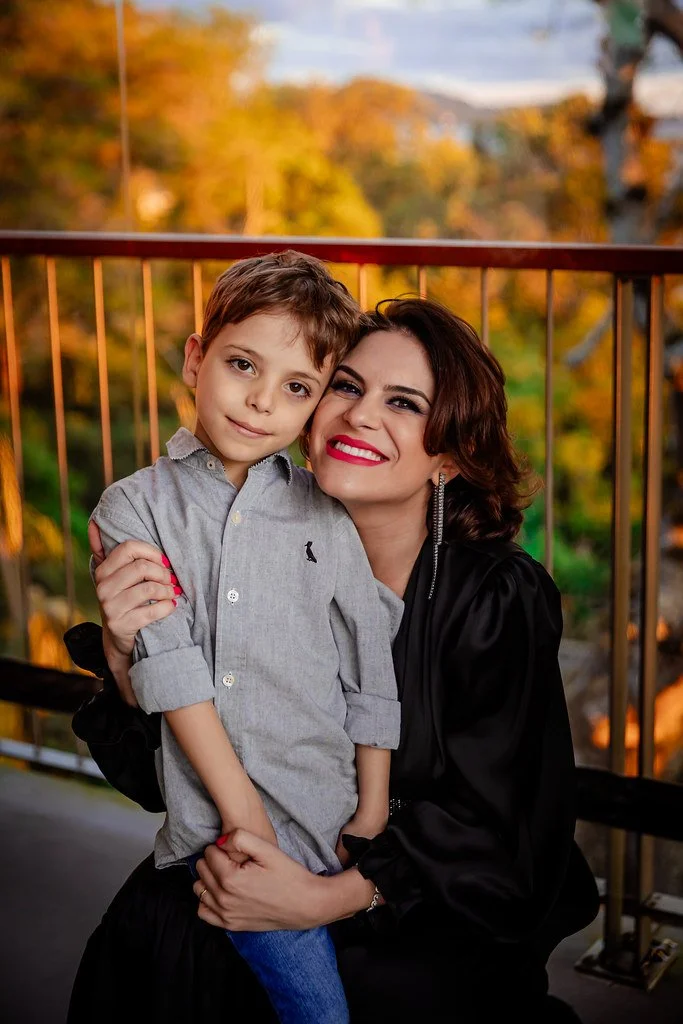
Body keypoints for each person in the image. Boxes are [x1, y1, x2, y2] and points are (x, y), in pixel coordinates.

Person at [69, 297, 599, 1024]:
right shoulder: (231, 543)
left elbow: (506, 828)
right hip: (257, 852)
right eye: (344, 386)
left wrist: (329, 895)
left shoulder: (495, 598)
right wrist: (128, 666)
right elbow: (162, 787)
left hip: (422, 903)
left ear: (448, 456)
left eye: (404, 403)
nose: (358, 415)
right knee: (157, 936)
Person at [86, 251, 401, 1024]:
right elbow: (173, 671)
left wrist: (369, 812)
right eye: (241, 365)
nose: (261, 402)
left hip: (328, 823)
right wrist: (246, 824)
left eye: (296, 387)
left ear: (316, 402)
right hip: (225, 833)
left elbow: (368, 664)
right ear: (197, 359)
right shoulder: (133, 508)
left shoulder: (325, 516)